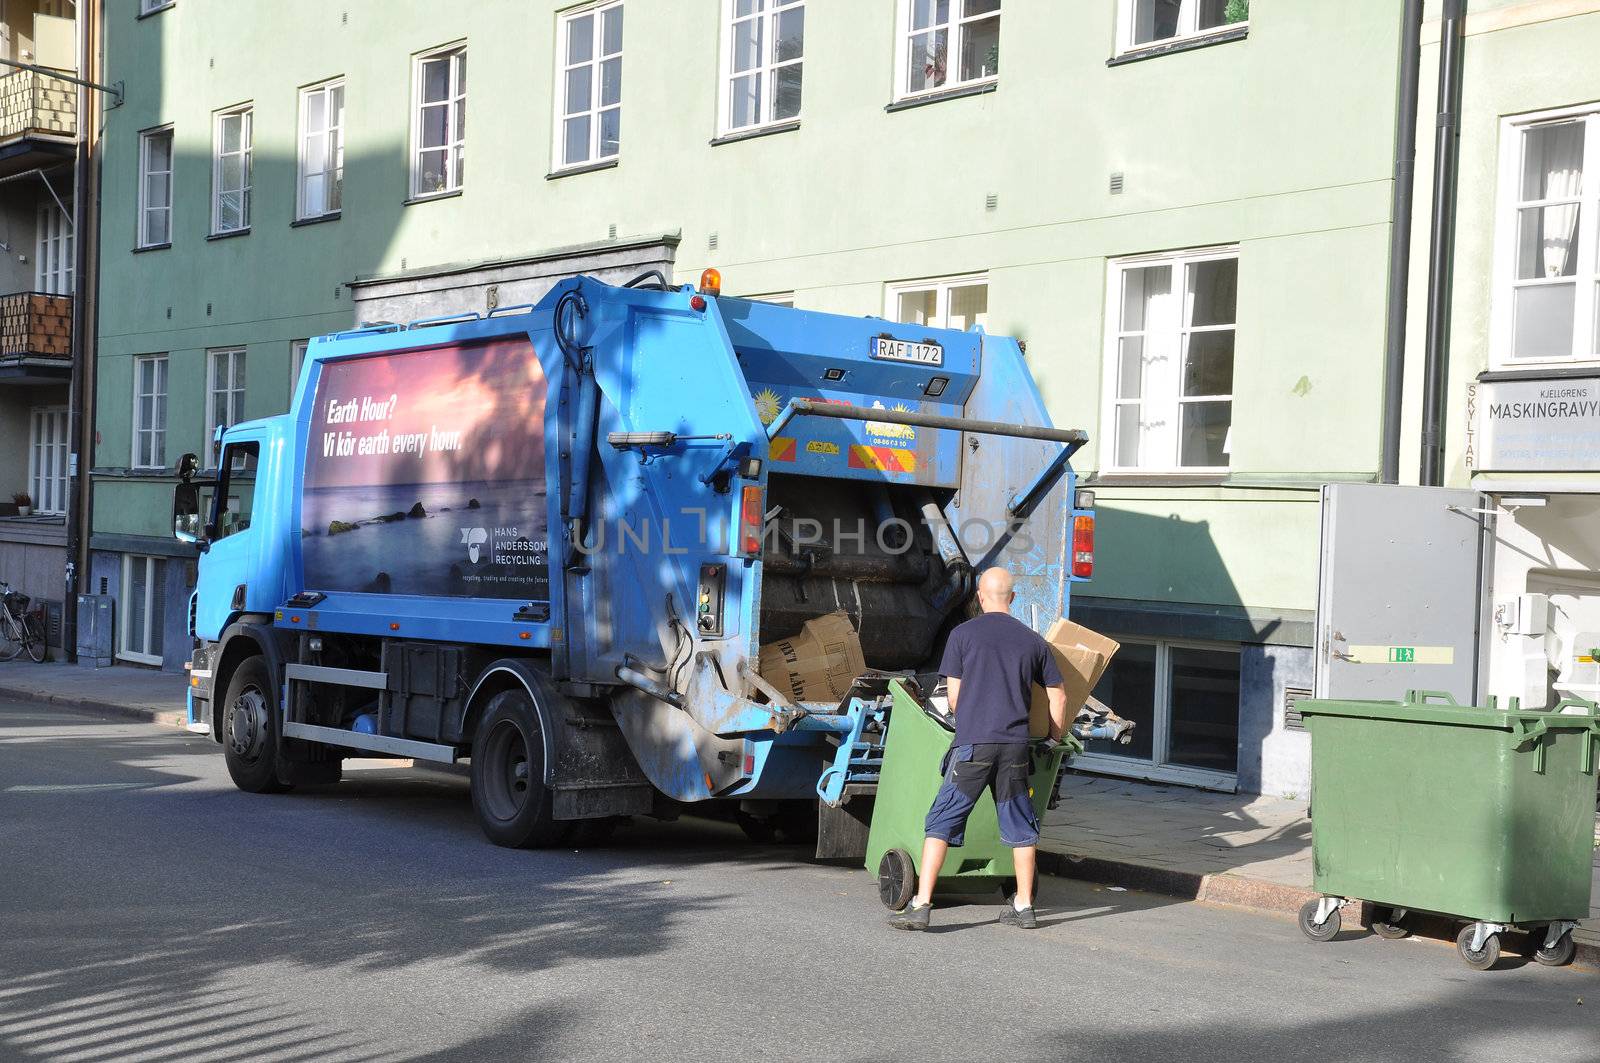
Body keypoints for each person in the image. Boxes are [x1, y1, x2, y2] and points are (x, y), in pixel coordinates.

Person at [888, 566, 1068, 931]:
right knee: (1021, 826)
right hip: (1015, 748)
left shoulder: (962, 635)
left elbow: (953, 698)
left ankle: (922, 906)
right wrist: (1053, 737)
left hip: (973, 746)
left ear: (980, 598)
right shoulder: (1033, 641)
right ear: (1013, 599)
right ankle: (1024, 906)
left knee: (941, 821)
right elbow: (1058, 695)